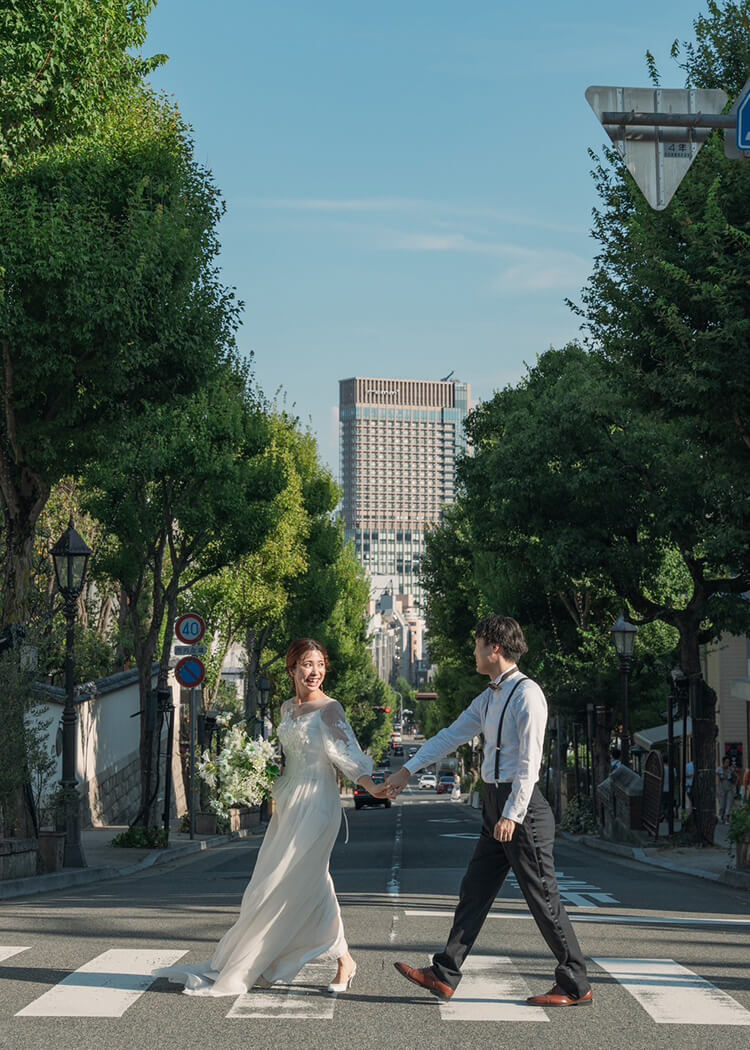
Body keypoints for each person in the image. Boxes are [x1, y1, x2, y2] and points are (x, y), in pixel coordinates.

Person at [154, 638, 389, 996]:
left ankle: (336, 959)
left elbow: (349, 756)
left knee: (304, 876)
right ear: (292, 668)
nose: (315, 672)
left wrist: (372, 786)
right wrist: (254, 773)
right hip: (289, 799)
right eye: (307, 664)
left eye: (320, 664)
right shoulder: (285, 709)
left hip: (318, 801)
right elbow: (282, 757)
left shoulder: (330, 709)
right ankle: (335, 958)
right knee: (279, 881)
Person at [386, 615, 592, 1008]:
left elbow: (529, 765)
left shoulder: (527, 695)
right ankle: (445, 973)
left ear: (494, 648)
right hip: (495, 805)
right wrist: (407, 770)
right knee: (474, 890)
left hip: (522, 809)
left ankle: (575, 983)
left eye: (478, 644)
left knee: (543, 898)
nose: (474, 651)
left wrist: (512, 815)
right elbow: (451, 735)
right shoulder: (489, 696)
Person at [717, 756, 736, 824]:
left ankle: (727, 818)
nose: (727, 763)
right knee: (722, 804)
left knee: (729, 803)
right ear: (723, 762)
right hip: (722, 788)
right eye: (726, 762)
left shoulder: (730, 769)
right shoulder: (719, 769)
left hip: (729, 787)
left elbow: (734, 779)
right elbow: (718, 780)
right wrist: (717, 789)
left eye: (728, 762)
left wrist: (733, 773)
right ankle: (721, 816)